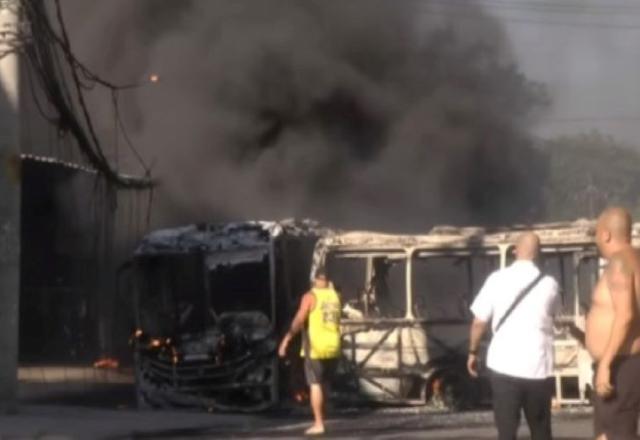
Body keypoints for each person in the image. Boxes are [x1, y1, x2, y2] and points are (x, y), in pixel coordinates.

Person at [467, 232, 561, 440]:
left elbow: (479, 322)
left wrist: (473, 352)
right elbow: (554, 315)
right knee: (541, 431)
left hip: (504, 367)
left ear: (515, 250)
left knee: (507, 431)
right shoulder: (550, 284)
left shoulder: (496, 279)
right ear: (538, 254)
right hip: (538, 369)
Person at [586, 207, 640, 440]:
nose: (596, 240)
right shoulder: (636, 258)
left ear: (606, 234)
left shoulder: (619, 263)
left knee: (615, 435)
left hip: (620, 364)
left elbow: (625, 314)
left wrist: (605, 364)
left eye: (596, 234)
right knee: (606, 435)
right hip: (629, 360)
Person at [278, 269, 341, 436]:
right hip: (333, 346)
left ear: (314, 280)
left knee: (315, 384)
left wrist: (286, 340)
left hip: (316, 347)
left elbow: (299, 320)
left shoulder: (310, 297)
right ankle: (324, 416)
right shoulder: (335, 296)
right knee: (325, 383)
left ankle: (319, 423)